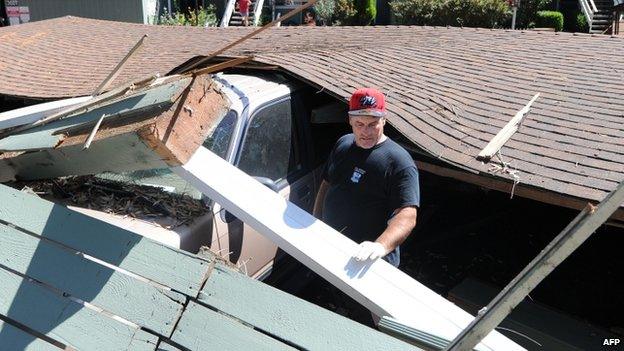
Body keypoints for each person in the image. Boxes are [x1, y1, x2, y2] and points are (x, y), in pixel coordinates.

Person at [313, 88, 419, 268]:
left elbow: (407, 214)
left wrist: (380, 246)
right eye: (359, 124)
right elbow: (326, 183)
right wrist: (315, 221)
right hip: (333, 247)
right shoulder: (343, 144)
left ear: (384, 120)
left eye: (372, 124)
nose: (366, 132)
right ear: (350, 120)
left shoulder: (398, 161)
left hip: (371, 262)